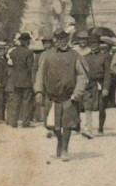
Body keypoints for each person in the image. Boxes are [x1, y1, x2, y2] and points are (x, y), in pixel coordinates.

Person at [34, 29, 88, 161]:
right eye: (58, 39)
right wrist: (39, 91)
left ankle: (64, 149)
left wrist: (77, 93)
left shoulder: (75, 55)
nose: (60, 42)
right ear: (55, 40)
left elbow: (82, 76)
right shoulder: (46, 55)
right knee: (53, 125)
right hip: (52, 97)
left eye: (63, 39)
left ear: (67, 40)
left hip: (69, 96)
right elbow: (40, 74)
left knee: (67, 124)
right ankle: (59, 138)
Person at [82, 32, 112, 137]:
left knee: (102, 107)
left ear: (99, 44)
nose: (93, 45)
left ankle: (100, 128)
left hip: (101, 84)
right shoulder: (85, 57)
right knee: (87, 106)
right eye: (91, 43)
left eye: (95, 43)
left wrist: (106, 88)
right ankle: (89, 129)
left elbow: (108, 73)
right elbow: (83, 72)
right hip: (89, 84)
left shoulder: (104, 57)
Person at [6, 32, 35, 128]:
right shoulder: (29, 52)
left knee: (15, 101)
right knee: (26, 102)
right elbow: (30, 68)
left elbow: (11, 65)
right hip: (26, 80)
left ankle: (13, 122)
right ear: (27, 41)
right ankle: (25, 123)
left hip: (15, 80)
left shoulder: (13, 52)